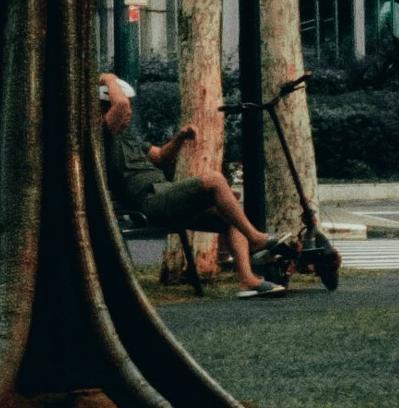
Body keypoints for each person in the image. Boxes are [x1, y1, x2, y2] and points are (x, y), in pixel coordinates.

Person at [98, 72, 283, 299]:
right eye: (126, 111)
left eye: (130, 110)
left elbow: (160, 157)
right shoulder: (100, 136)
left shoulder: (129, 140)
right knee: (214, 179)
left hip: (165, 196)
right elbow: (121, 102)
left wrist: (180, 137)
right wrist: (107, 78)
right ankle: (256, 239)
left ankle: (247, 279)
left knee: (230, 211)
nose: (129, 113)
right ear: (104, 108)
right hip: (149, 203)